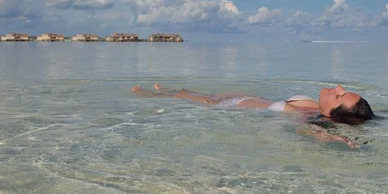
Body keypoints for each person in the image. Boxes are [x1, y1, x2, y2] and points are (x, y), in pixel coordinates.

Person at [131, 83, 375, 148]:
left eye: (340, 96)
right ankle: (165, 90)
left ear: (330, 112)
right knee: (191, 92)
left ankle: (149, 93)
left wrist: (337, 139)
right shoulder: (313, 107)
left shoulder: (307, 117)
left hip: (231, 105)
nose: (339, 88)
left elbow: (313, 132)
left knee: (183, 97)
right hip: (245, 97)